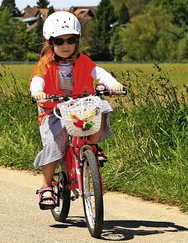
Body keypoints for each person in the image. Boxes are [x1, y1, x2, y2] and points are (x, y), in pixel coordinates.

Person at [30, 11, 124, 210]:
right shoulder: (45, 63)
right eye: (59, 41)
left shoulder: (84, 61)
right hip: (52, 111)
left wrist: (113, 84)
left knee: (102, 106)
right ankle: (46, 186)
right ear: (51, 42)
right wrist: (38, 92)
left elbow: (99, 73)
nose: (65, 46)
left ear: (77, 41)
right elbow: (37, 80)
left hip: (80, 108)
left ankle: (93, 147)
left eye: (71, 40)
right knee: (55, 145)